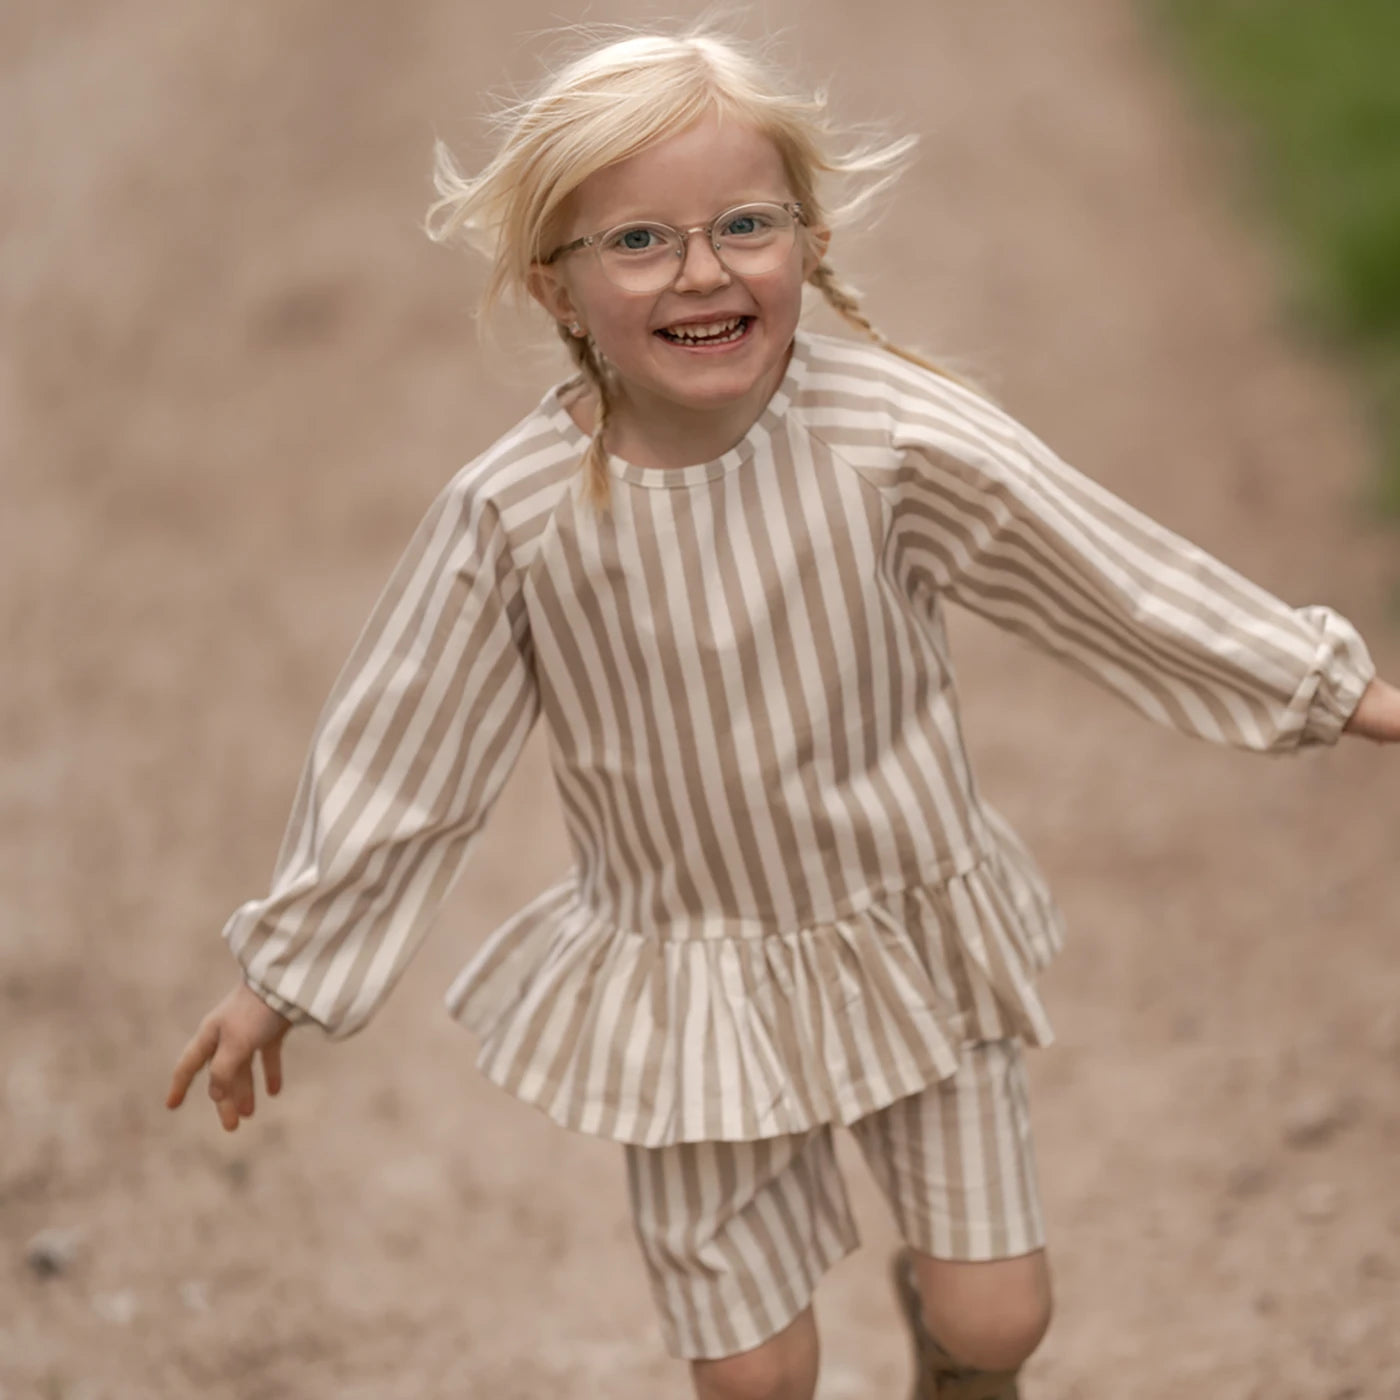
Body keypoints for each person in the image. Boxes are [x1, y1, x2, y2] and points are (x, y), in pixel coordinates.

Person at [166, 26, 1400, 1400]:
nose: (702, 269)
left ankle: (948, 1348)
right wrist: (284, 975)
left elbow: (1099, 567)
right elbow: (405, 752)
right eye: (639, 241)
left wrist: (1332, 686)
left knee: (1000, 1322)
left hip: (914, 932)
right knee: (754, 1378)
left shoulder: (892, 437)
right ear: (554, 286)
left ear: (807, 242)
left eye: (745, 223)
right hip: (688, 978)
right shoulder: (510, 517)